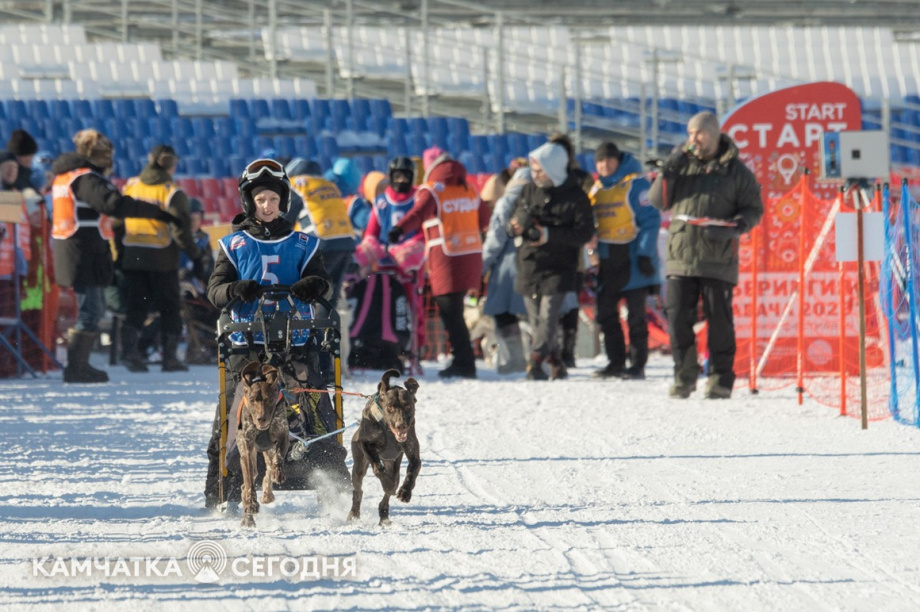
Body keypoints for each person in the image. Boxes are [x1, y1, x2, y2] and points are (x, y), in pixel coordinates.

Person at [203, 158, 349, 509]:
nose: (267, 206)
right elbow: (215, 291)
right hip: (246, 345)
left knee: (313, 398)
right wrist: (237, 289)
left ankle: (330, 476)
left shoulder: (304, 243)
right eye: (260, 200)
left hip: (295, 342)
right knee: (233, 409)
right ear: (249, 202)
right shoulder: (233, 245)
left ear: (283, 201)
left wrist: (313, 285)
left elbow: (324, 286)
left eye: (272, 199)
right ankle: (221, 488)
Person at [50, 129, 181, 383]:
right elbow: (112, 203)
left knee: (93, 307)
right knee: (91, 309)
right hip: (82, 252)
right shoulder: (86, 178)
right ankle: (77, 367)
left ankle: (80, 365)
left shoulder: (65, 176)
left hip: (75, 250)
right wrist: (154, 211)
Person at [648, 111, 763, 399]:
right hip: (681, 254)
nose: (693, 139)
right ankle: (684, 375)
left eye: (699, 133)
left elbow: (753, 209)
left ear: (713, 135)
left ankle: (720, 379)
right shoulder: (681, 166)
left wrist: (738, 225)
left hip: (717, 255)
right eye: (689, 133)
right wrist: (668, 171)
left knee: (720, 320)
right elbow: (657, 201)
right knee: (676, 317)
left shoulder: (736, 171)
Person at [387, 152, 488, 379]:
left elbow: (419, 213)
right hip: (471, 253)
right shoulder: (469, 188)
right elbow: (484, 219)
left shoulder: (433, 189)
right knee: (456, 311)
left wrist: (399, 229)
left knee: (450, 312)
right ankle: (463, 358)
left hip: (446, 256)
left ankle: (464, 362)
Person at [509, 142, 594, 380]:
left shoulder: (576, 197)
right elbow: (511, 219)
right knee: (537, 320)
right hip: (529, 264)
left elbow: (585, 233)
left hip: (559, 266)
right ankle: (556, 359)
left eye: (540, 171)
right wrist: (514, 227)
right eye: (533, 171)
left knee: (548, 317)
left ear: (554, 168)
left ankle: (534, 362)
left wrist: (549, 234)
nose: (535, 175)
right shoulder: (528, 190)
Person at [118, 144, 206, 373]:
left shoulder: (131, 187)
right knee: (170, 308)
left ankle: (129, 354)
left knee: (135, 308)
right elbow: (181, 230)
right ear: (172, 164)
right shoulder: (171, 191)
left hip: (133, 257)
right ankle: (170, 359)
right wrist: (195, 256)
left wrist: (120, 254)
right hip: (162, 259)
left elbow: (118, 223)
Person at [589, 141, 660, 380]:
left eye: (609, 159)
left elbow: (651, 221)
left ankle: (637, 364)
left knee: (636, 317)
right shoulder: (596, 189)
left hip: (633, 260)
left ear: (618, 160)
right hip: (608, 261)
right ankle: (615, 362)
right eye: (600, 161)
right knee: (606, 314)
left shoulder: (635, 184)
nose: (604, 165)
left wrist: (644, 254)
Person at [285, 157, 357, 383]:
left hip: (321, 246)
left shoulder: (296, 185)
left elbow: (285, 221)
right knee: (328, 305)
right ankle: (327, 366)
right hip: (345, 244)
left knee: (309, 305)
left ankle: (313, 366)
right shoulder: (329, 185)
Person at [547, 133, 594, 368]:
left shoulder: (581, 179)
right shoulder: (544, 180)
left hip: (575, 252)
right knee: (551, 302)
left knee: (571, 302)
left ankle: (568, 351)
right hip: (549, 251)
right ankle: (553, 350)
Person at [481, 165, 529, 374]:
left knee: (503, 314)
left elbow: (494, 241)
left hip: (507, 269)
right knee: (536, 316)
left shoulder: (506, 203)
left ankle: (515, 358)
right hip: (534, 265)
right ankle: (540, 358)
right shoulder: (540, 198)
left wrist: (480, 267)